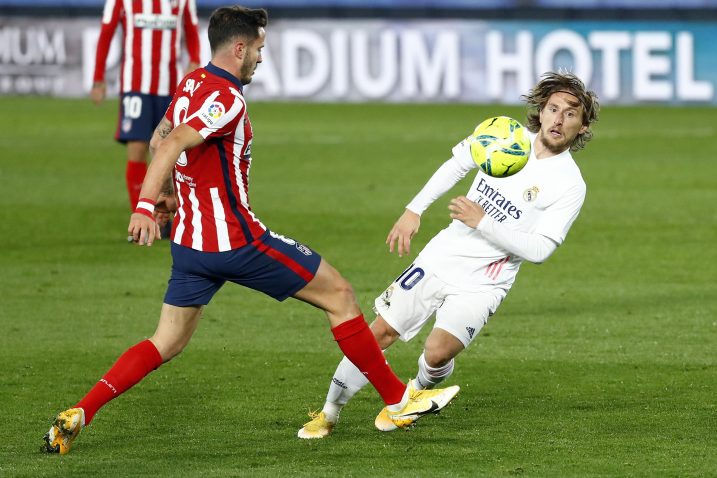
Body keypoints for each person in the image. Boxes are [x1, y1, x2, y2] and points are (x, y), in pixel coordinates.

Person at [42, 6, 459, 455]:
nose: (262, 57)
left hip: (189, 245)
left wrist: (168, 194)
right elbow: (178, 141)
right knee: (338, 294)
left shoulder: (191, 82)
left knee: (164, 342)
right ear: (239, 48)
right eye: (259, 49)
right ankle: (397, 399)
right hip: (236, 240)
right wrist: (145, 206)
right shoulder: (227, 97)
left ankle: (82, 410)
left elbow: (162, 136)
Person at [297, 71, 599, 439]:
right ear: (541, 110)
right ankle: (328, 414)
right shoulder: (504, 135)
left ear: (582, 127)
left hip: (487, 280)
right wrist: (414, 210)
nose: (559, 119)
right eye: (553, 109)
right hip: (441, 257)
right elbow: (457, 162)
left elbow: (540, 250)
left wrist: (484, 221)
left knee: (438, 353)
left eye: (571, 114)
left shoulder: (570, 183)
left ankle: (417, 394)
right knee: (379, 333)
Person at [90, 0, 201, 212]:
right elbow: (106, 34)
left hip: (171, 88)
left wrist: (195, 60)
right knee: (137, 149)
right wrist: (98, 79)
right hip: (136, 87)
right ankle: (142, 216)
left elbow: (192, 31)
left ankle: (168, 215)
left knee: (171, 153)